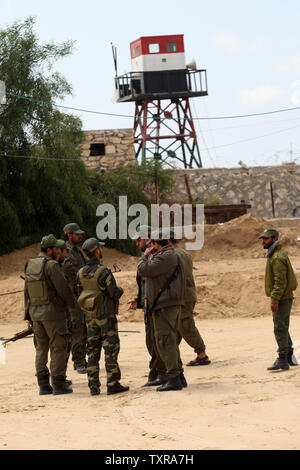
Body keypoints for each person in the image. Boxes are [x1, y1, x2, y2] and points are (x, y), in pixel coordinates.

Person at [24, 234, 76, 395]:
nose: (57, 251)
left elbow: (27, 292)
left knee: (41, 349)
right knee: (58, 346)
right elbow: (64, 289)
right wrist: (73, 305)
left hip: (35, 314)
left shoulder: (30, 264)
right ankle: (59, 384)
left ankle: (43, 385)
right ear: (49, 249)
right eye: (55, 248)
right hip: (53, 314)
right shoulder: (51, 265)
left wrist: (28, 315)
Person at [77, 237, 129, 396]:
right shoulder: (103, 271)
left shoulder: (80, 272)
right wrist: (120, 290)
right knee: (110, 349)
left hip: (90, 317)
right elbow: (114, 292)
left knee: (92, 351)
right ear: (97, 251)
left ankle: (93, 386)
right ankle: (112, 383)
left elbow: (79, 293)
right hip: (106, 317)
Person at [137, 230, 186, 391]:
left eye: (152, 245)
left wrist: (145, 256)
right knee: (168, 340)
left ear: (156, 244)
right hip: (166, 303)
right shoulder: (170, 255)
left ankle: (173, 377)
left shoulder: (166, 256)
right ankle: (178, 375)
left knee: (164, 341)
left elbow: (143, 269)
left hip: (165, 305)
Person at [127, 226, 167, 386]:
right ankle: (158, 373)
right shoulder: (148, 257)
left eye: (139, 239)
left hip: (156, 306)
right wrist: (139, 301)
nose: (137, 243)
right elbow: (144, 284)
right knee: (152, 342)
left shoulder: (155, 257)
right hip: (148, 305)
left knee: (158, 342)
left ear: (148, 238)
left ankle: (160, 374)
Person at [169, 233, 211, 366]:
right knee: (179, 326)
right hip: (186, 294)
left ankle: (201, 354)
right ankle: (171, 356)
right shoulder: (182, 253)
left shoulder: (173, 255)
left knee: (185, 325)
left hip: (182, 296)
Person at [259, 228, 298, 371]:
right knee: (282, 325)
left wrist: (274, 299)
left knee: (279, 327)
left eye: (266, 239)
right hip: (284, 297)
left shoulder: (276, 257)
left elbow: (280, 282)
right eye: (263, 239)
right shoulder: (276, 254)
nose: (263, 241)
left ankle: (282, 359)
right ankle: (288, 354)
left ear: (274, 239)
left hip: (282, 298)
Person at [62, 222, 88, 374]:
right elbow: (71, 271)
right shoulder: (67, 252)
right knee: (77, 328)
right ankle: (78, 361)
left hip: (81, 295)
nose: (80, 236)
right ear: (69, 234)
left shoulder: (77, 251)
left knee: (83, 328)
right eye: (77, 234)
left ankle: (81, 358)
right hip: (74, 297)